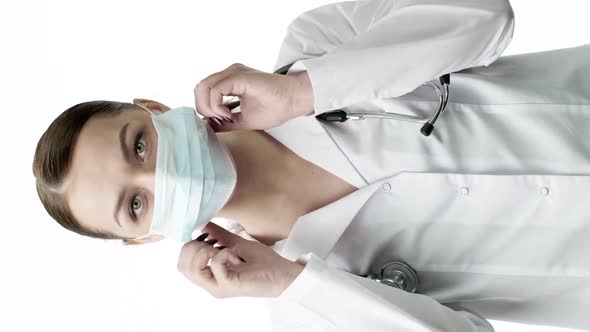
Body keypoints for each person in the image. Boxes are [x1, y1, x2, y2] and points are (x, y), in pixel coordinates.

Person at [33, 0, 590, 331]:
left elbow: (485, 11)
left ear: (153, 110)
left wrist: (306, 90)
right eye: (136, 203)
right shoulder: (306, 303)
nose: (161, 177)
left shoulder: (313, 48)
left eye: (137, 148)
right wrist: (293, 280)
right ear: (144, 240)